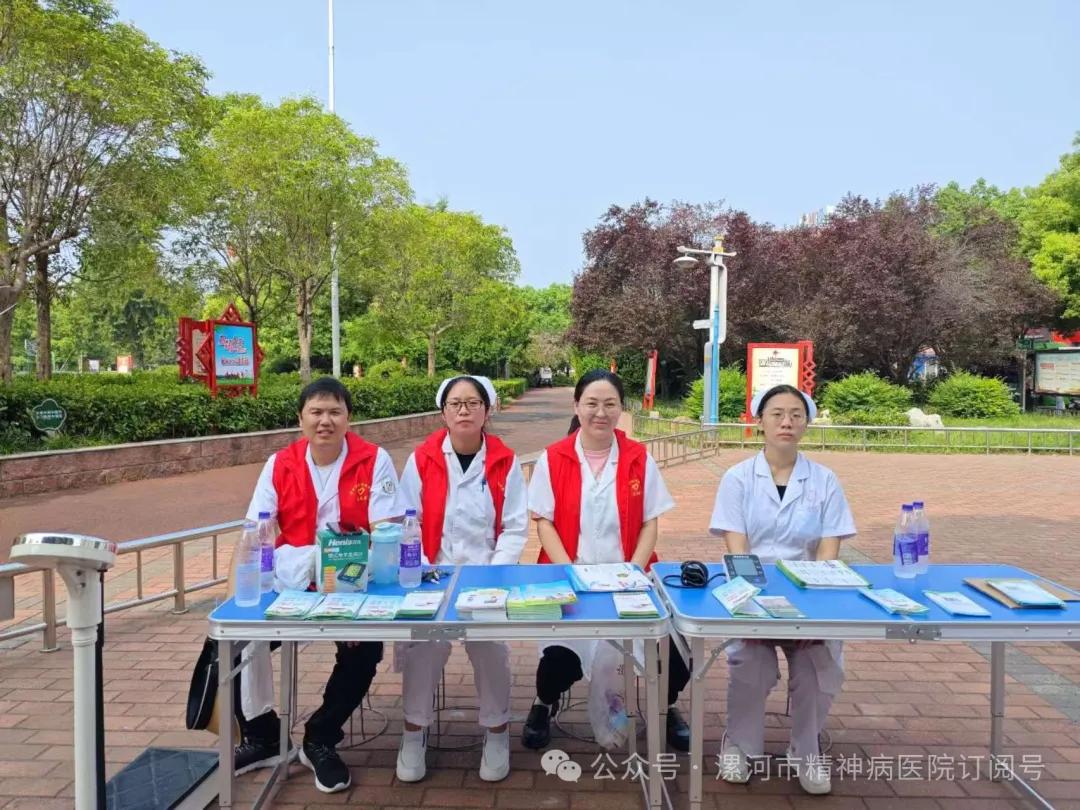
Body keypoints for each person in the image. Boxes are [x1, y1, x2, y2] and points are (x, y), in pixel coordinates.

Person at [235, 377, 403, 794]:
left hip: (352, 582)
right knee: (233, 641)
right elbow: (257, 530)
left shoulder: (374, 459)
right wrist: (242, 586)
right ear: (301, 419)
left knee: (364, 651)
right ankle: (262, 735)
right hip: (290, 584)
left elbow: (384, 531)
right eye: (316, 412)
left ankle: (320, 738)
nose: (325, 421)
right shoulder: (279, 464)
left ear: (348, 418)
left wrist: (340, 572)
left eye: (334, 412)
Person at [521, 369, 692, 752]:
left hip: (628, 578)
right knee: (558, 661)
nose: (601, 412)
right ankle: (543, 703)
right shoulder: (553, 458)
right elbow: (544, 522)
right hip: (569, 576)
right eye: (592, 403)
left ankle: (667, 706)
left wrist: (633, 571)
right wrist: (570, 571)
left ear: (620, 409)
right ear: (576, 406)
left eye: (610, 404)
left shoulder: (638, 458)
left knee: (673, 658)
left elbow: (650, 522)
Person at [708, 384, 856, 795]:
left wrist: (814, 613)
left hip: (808, 598)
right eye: (777, 413)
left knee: (818, 665)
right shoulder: (738, 478)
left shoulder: (825, 480)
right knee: (751, 665)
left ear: (806, 423)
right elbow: (738, 550)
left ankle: (806, 750)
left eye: (795, 414)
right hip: (753, 596)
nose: (786, 422)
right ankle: (739, 746)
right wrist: (756, 610)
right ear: (760, 421)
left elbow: (828, 552)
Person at [393, 375, 528, 783]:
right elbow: (408, 520)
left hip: (486, 576)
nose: (464, 410)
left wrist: (492, 572)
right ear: (444, 412)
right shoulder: (422, 459)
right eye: (456, 403)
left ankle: (497, 732)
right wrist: (425, 568)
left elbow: (515, 527)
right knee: (424, 648)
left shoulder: (505, 461)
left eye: (473, 403)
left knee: (490, 649)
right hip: (432, 574)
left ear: (487, 411)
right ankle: (413, 733)